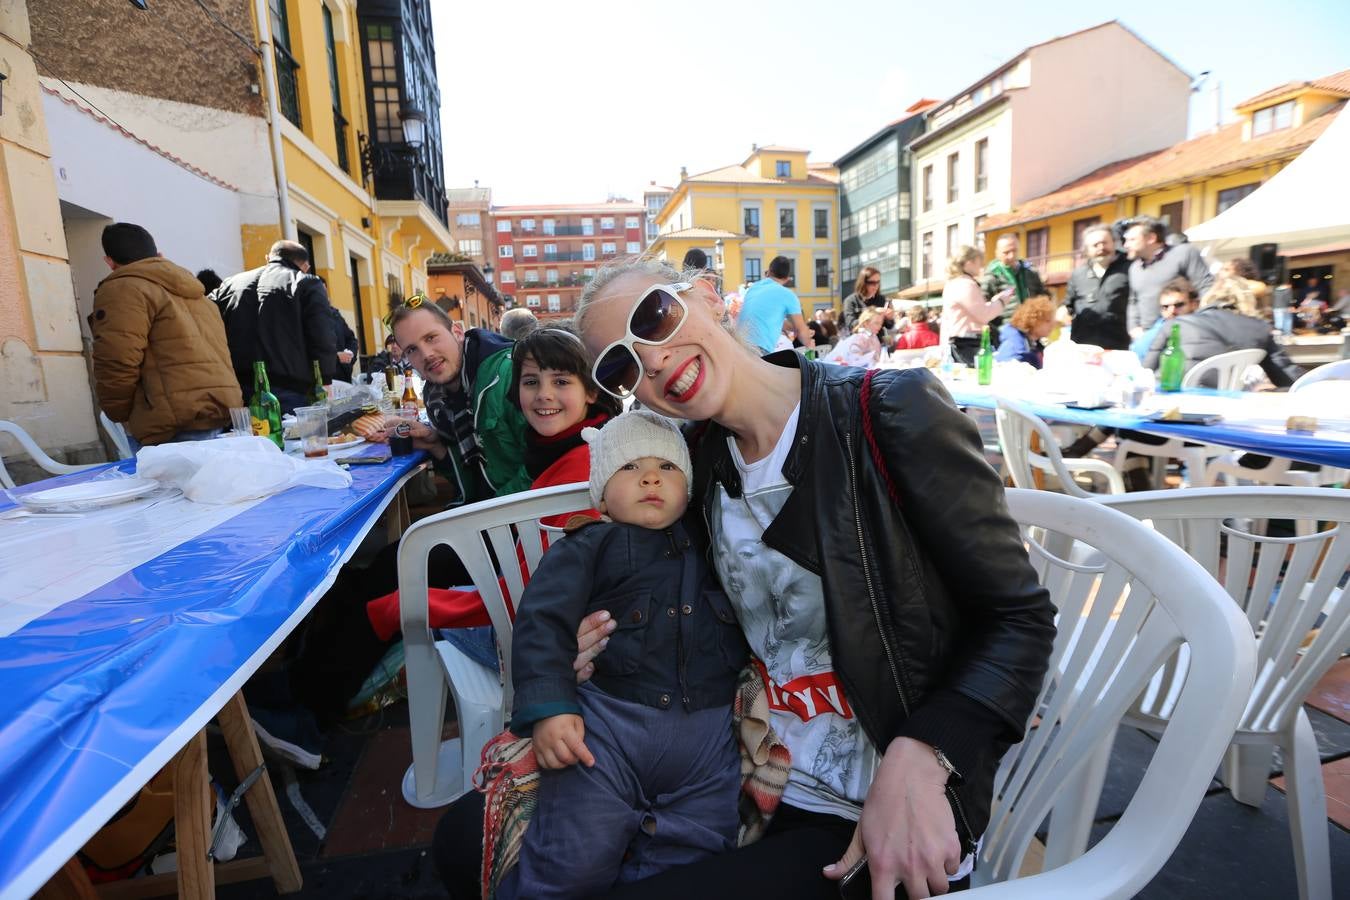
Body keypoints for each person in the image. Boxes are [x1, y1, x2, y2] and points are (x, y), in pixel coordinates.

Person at [434, 260, 1056, 899]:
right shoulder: (696, 462)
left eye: (654, 317)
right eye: (620, 364)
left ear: (708, 296)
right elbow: (659, 590)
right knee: (461, 841)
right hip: (737, 760)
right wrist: (587, 642)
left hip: (867, 798)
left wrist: (925, 753)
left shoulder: (890, 412)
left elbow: (1020, 620)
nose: (651, 361)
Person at [279, 328, 622, 751]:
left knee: (384, 594)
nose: (543, 395)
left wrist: (405, 606)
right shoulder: (580, 445)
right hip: (531, 608)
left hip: (523, 636)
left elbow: (524, 595)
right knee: (384, 571)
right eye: (532, 382)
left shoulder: (578, 470)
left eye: (561, 381)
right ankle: (300, 689)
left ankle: (304, 715)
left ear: (591, 392)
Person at [497, 409, 747, 899]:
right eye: (630, 468)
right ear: (601, 494)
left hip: (706, 748)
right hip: (606, 736)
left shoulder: (715, 543)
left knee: (695, 858)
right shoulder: (588, 544)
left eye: (668, 468)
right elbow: (542, 623)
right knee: (572, 861)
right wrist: (551, 707)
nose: (651, 476)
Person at [89, 223, 242, 449]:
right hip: (218, 408)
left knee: (174, 485)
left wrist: (120, 413)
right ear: (158, 255)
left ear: (109, 262)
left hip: (170, 421)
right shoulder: (196, 293)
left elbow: (117, 359)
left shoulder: (122, 288)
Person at [369, 295, 531, 504]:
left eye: (431, 338)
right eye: (412, 349)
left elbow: (544, 464)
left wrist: (487, 515)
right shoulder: (437, 398)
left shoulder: (507, 375)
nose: (426, 354)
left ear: (457, 332)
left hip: (525, 519)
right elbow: (471, 481)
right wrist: (436, 444)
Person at [212, 240, 336, 414]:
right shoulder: (307, 282)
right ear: (305, 265)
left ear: (268, 258)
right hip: (289, 388)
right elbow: (322, 336)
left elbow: (207, 320)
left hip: (238, 387)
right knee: (290, 438)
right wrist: (325, 378)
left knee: (248, 439)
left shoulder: (229, 284)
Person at [1144, 276, 1303, 388]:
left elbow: (1145, 373)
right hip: (1227, 412)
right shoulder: (1259, 329)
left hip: (1174, 407)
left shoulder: (1176, 325)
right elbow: (1288, 377)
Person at [1124, 215, 1213, 335]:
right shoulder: (1134, 268)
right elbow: (1133, 301)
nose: (1126, 245)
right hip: (1146, 336)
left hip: (1181, 333)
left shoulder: (1184, 253)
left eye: (1132, 240)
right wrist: (1133, 328)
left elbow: (1205, 287)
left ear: (1151, 238)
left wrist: (1203, 324)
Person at [940, 245, 1011, 365]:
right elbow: (983, 314)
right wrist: (1001, 301)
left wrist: (994, 302)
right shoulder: (966, 284)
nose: (981, 267)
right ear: (969, 263)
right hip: (967, 343)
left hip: (957, 342)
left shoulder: (953, 283)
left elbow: (974, 311)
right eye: (979, 263)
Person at [1064, 224, 1131, 349]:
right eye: (1095, 245)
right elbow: (1068, 306)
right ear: (1087, 250)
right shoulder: (1078, 274)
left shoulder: (1130, 268)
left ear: (1114, 243)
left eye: (1105, 243)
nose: (1101, 248)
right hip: (1084, 347)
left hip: (1119, 346)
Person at [738, 256, 813, 354]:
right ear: (787, 279)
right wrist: (809, 342)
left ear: (768, 272)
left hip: (738, 343)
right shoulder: (788, 295)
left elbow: (771, 320)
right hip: (759, 348)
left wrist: (797, 329)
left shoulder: (754, 288)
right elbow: (801, 331)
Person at [980, 235, 1045, 321]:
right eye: (1006, 252)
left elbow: (1043, 296)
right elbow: (982, 305)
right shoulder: (992, 275)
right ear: (997, 253)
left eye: (1014, 251)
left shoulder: (1030, 271)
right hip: (1004, 329)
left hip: (1030, 326)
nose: (1011, 256)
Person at [1130, 277, 1197, 360]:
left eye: (1179, 305)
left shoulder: (1206, 328)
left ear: (1194, 304)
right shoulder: (1153, 336)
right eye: (1165, 307)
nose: (1171, 311)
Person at [994, 296, 1057, 368]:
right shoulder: (1014, 342)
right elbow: (1008, 364)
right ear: (1033, 320)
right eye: (1047, 321)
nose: (1052, 325)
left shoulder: (1034, 343)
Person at [840, 266, 887, 333]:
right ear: (863, 283)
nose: (876, 286)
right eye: (872, 283)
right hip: (859, 340)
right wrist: (872, 314)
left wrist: (889, 318)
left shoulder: (882, 299)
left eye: (878, 282)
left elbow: (888, 325)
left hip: (877, 340)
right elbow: (851, 324)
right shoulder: (850, 301)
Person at [328, 305, 359, 383]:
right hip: (322, 380)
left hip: (343, 377)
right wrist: (337, 357)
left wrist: (350, 354)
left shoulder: (335, 315)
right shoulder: (306, 316)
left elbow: (351, 340)